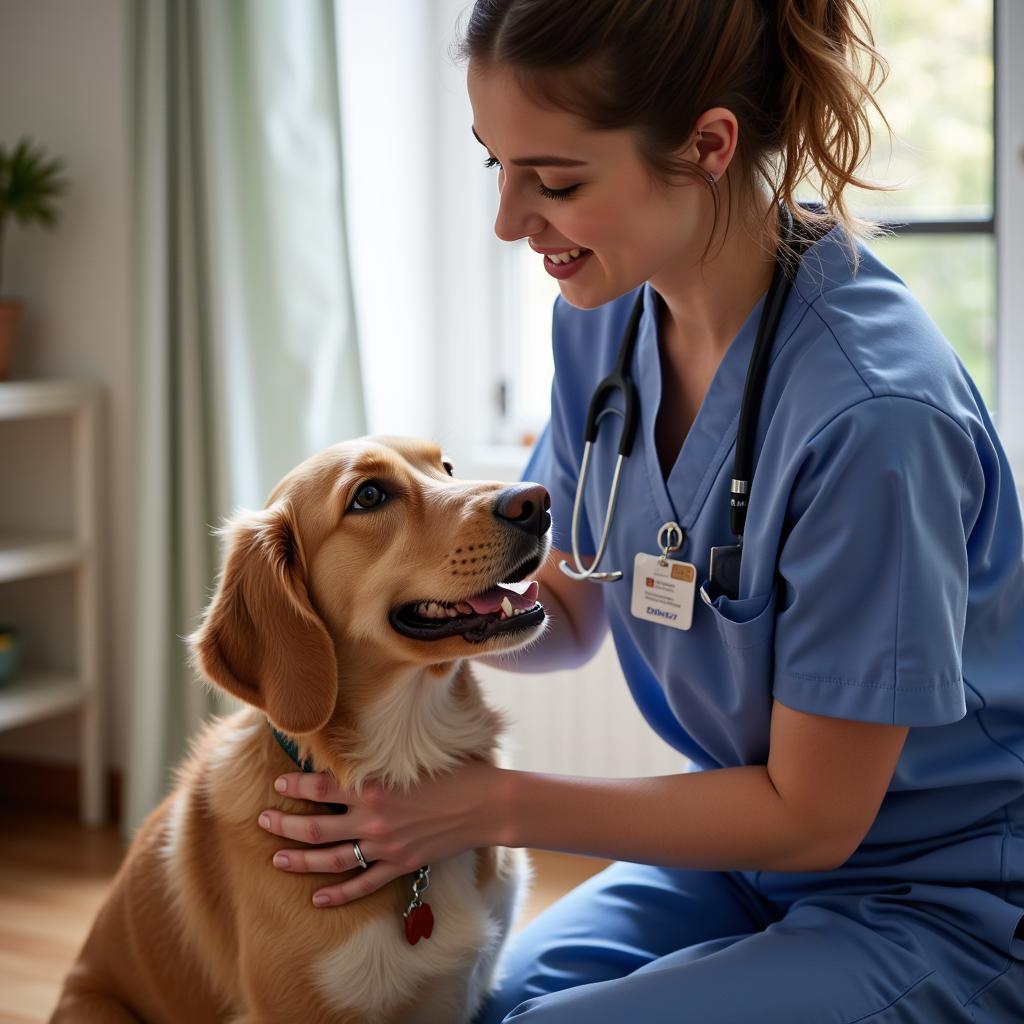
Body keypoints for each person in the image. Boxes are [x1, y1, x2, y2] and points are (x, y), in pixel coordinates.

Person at [255, 1, 1024, 1020]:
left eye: (557, 181)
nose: (508, 221)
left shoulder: (875, 419)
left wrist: (478, 805)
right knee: (479, 1008)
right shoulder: (606, 320)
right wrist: (391, 613)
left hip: (938, 896)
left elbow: (813, 817)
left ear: (708, 144)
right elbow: (564, 611)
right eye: (496, 165)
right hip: (746, 864)